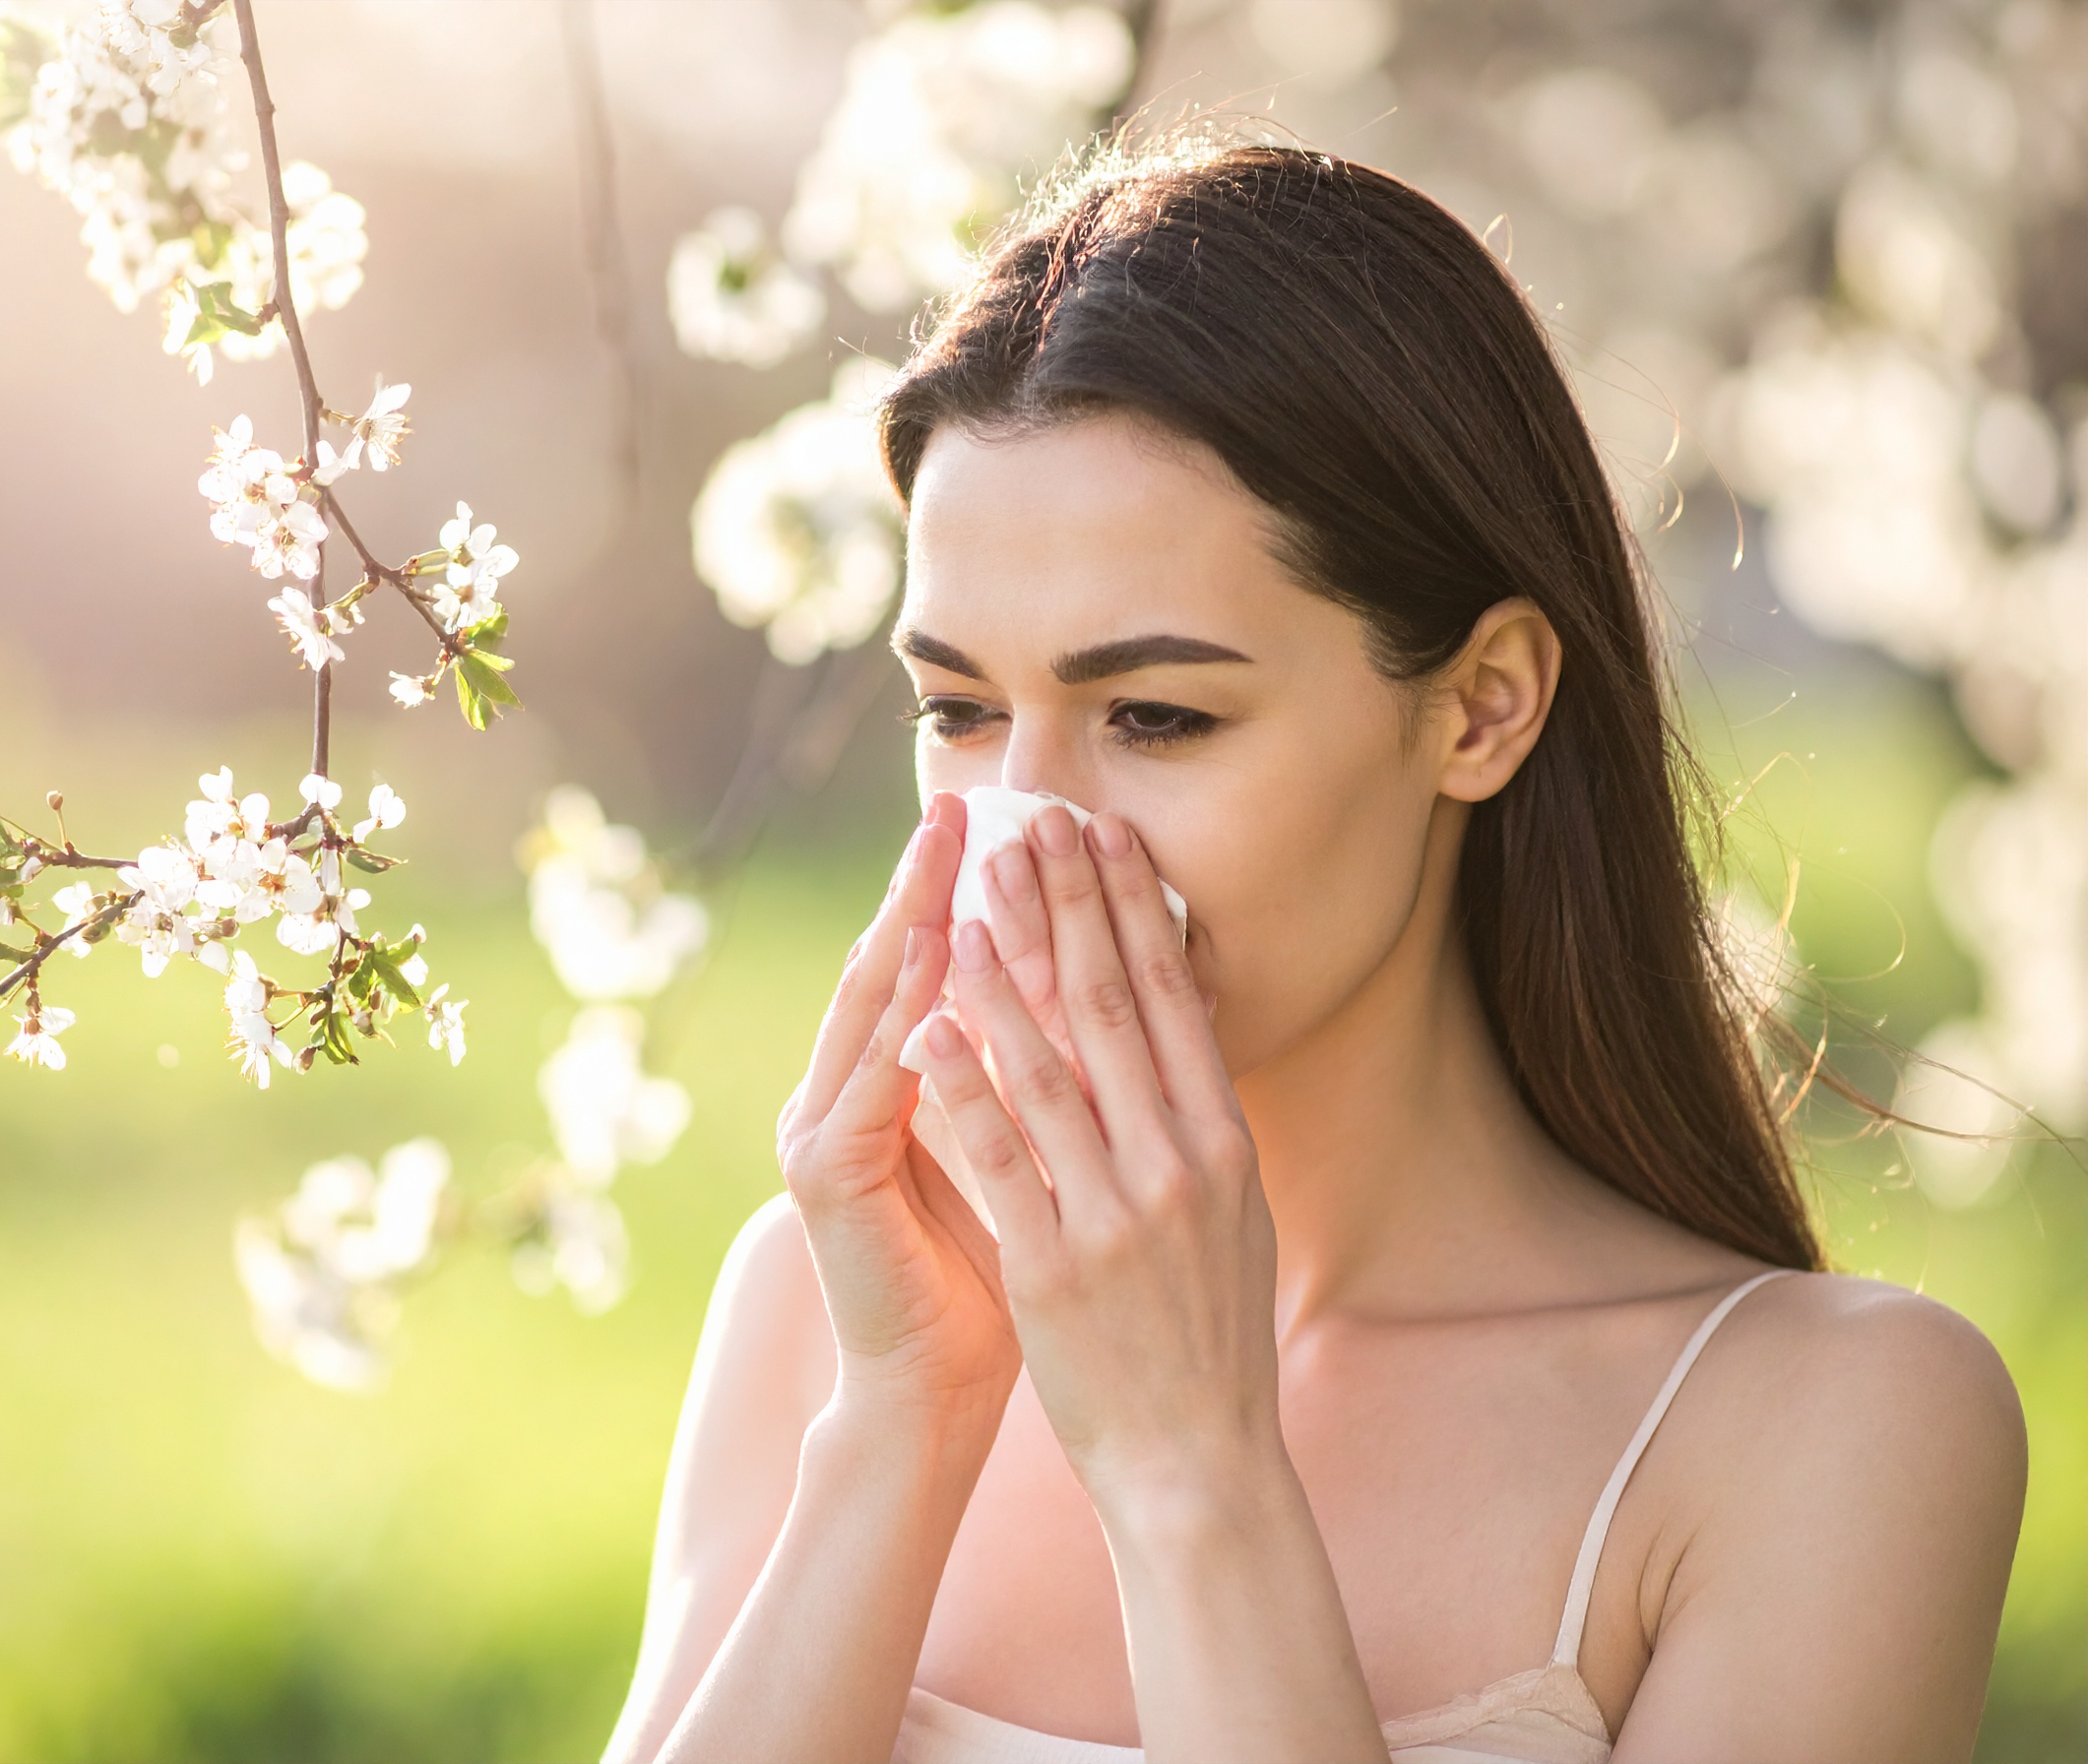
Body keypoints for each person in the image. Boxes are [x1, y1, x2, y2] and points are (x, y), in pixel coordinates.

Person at [604, 145, 2025, 1764]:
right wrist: (897, 1431)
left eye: (1158, 717)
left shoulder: (1829, 1427)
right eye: (962, 714)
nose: (1035, 835)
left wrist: (1193, 1476)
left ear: (1482, 704)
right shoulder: (827, 1311)